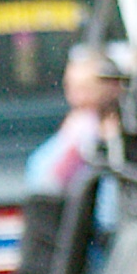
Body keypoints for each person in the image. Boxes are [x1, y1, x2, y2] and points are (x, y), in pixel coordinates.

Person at [25, 47, 122, 193]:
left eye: (86, 89)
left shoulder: (130, 125)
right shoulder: (78, 127)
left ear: (113, 88)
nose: (77, 98)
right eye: (70, 88)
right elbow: (44, 182)